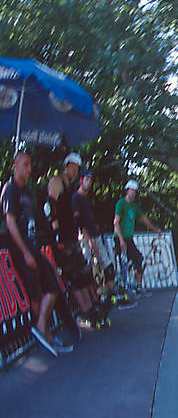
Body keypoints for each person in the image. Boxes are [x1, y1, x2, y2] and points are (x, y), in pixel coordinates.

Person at [1, 152, 71, 356]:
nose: (29, 169)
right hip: (21, 250)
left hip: (34, 247)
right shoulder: (10, 189)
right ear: (15, 165)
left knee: (52, 287)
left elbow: (36, 220)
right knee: (36, 294)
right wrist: (25, 253)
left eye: (30, 164)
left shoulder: (27, 191)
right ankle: (44, 334)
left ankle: (42, 331)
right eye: (25, 164)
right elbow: (10, 222)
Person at [44, 153, 98, 324]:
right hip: (61, 237)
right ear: (66, 166)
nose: (74, 171)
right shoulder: (57, 181)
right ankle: (85, 310)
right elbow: (49, 207)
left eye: (77, 168)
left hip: (72, 236)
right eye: (72, 167)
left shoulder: (70, 186)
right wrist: (56, 232)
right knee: (72, 276)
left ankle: (91, 308)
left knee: (81, 273)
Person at [113, 179, 162, 297]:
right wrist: (121, 240)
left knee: (139, 260)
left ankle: (138, 287)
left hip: (129, 238)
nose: (133, 193)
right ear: (127, 190)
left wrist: (155, 229)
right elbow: (116, 223)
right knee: (123, 264)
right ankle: (123, 292)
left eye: (135, 191)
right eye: (132, 190)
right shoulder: (121, 203)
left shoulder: (134, 206)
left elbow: (144, 219)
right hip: (120, 238)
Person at [73, 170, 115, 295]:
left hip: (95, 235)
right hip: (86, 238)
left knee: (107, 265)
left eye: (90, 180)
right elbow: (78, 221)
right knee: (90, 268)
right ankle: (95, 297)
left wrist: (96, 227)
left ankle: (110, 292)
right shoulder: (76, 198)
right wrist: (89, 241)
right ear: (81, 180)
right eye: (86, 179)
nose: (89, 182)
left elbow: (89, 217)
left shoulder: (87, 198)